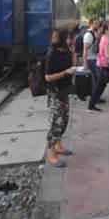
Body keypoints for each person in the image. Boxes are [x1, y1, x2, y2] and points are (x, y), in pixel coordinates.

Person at [44, 29, 76, 168]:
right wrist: (64, 73)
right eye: (69, 38)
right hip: (55, 93)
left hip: (64, 92)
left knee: (64, 120)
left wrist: (73, 52)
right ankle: (51, 154)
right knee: (55, 124)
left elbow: (72, 67)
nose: (70, 40)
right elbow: (48, 77)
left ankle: (58, 145)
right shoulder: (52, 54)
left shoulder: (66, 52)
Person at [83, 19, 106, 106]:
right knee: (97, 80)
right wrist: (85, 63)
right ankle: (94, 98)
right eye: (95, 23)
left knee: (97, 79)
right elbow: (85, 50)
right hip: (91, 60)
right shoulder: (88, 35)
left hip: (95, 59)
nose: (97, 25)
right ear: (91, 24)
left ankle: (96, 97)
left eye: (98, 23)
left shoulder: (95, 33)